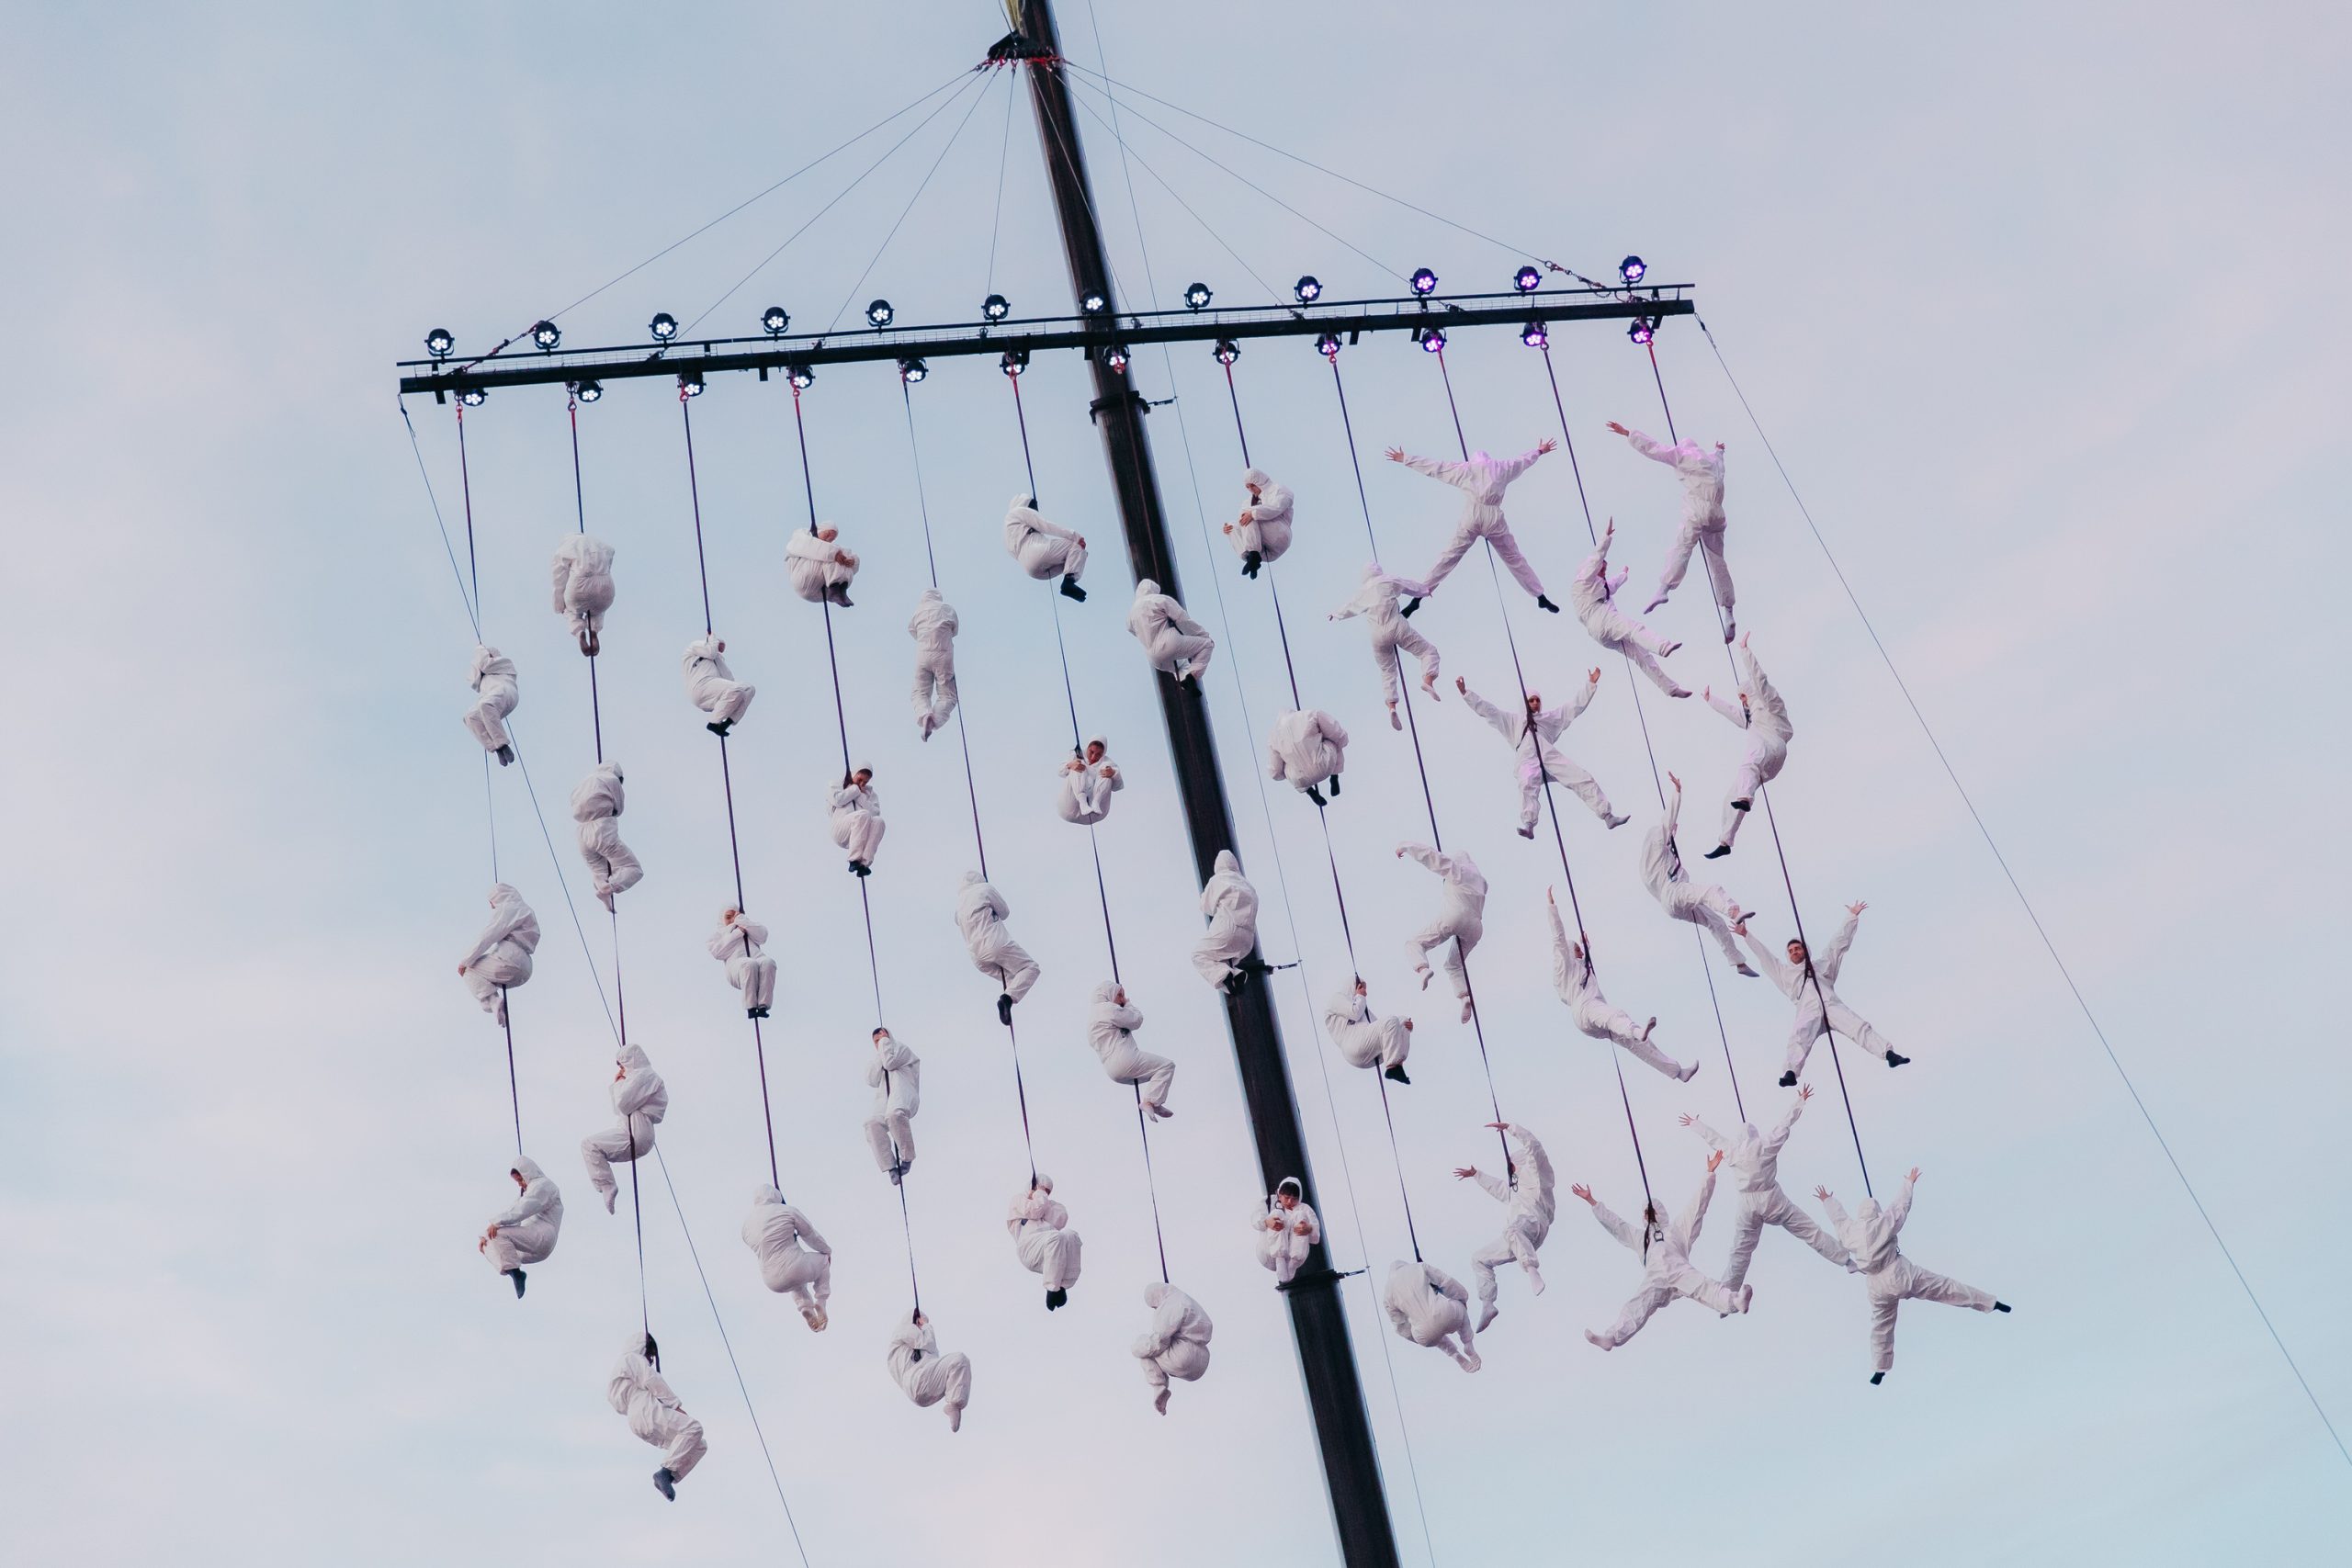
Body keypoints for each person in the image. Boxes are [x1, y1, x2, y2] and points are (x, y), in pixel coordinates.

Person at [1816, 1168, 2008, 1382]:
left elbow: (1839, 1220)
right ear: (1876, 1212)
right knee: (1945, 1288)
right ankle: (1990, 1303)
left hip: (1876, 1286)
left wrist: (1827, 1201)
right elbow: (1900, 1207)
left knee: (1882, 1325)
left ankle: (1880, 1367)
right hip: (1899, 1274)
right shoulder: (1883, 1222)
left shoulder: (1850, 1232)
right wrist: (1909, 1183)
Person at [1576, 1151, 1752, 1350]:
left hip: (1680, 1271)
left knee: (1706, 1287)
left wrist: (1708, 1174)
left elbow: (1697, 1206)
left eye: (1652, 1211)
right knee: (1636, 1306)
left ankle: (1734, 1301)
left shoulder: (1676, 1229)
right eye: (1646, 1212)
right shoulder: (1641, 1237)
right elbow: (1617, 1225)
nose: (1649, 1215)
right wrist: (1593, 1202)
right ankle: (1612, 1337)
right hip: (1655, 1279)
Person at [1681, 1086, 1851, 1292]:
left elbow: (1713, 1137)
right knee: (1809, 1231)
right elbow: (1784, 1125)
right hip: (1772, 1199)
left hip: (1748, 1204)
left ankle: (1727, 1295)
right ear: (1755, 1135)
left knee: (1740, 1250)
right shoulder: (1765, 1144)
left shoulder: (1732, 1150)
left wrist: (1694, 1124)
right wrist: (1800, 1101)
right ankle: (1845, 1261)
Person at [1735, 901, 1909, 1085]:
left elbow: (1838, 945)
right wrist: (1746, 935)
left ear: (1805, 950)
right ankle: (1790, 1072)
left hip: (1831, 1004)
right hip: (1807, 1009)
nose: (1795, 952)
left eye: (1798, 948)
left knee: (1858, 1026)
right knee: (1799, 1036)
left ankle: (1888, 1054)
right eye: (1791, 951)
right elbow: (1765, 956)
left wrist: (1851, 917)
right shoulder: (1783, 973)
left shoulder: (1822, 965)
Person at [1384, 440, 1562, 609]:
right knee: (1514, 558)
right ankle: (1540, 596)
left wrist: (1405, 459)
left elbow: (1436, 468)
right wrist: (1539, 451)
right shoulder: (1501, 467)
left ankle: (1419, 596)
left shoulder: (1466, 469)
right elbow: (1522, 461)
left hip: (1473, 514)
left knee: (1449, 556)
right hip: (1493, 516)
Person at [1457, 671, 1629, 837]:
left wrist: (1590, 684)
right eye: (1531, 700)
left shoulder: (1549, 718)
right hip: (1527, 758)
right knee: (1527, 783)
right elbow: (1489, 710)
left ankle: (1607, 816)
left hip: (1548, 755)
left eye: (1537, 700)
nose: (1534, 703)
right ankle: (1529, 824)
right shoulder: (1513, 721)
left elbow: (1572, 708)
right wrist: (1466, 693)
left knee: (1580, 776)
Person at [1546, 888, 1693, 1081]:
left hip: (1591, 1014)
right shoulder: (1564, 969)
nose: (1580, 952)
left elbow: (1584, 962)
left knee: (1634, 1043)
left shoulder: (1581, 967)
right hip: (1585, 1009)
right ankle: (1637, 1031)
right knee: (1616, 1016)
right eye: (1576, 950)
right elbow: (1559, 941)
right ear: (1569, 954)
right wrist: (1551, 907)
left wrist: (1586, 947)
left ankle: (1677, 1072)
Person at [1607, 421, 1736, 639]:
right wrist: (1719, 450)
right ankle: (1729, 611)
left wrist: (1629, 434)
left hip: (1699, 508)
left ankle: (1664, 588)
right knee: (1718, 561)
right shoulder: (1712, 462)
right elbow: (1721, 464)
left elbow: (1654, 448)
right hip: (1718, 514)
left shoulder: (1682, 455)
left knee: (1683, 545)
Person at [1642, 774, 1755, 976]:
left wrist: (1670, 838)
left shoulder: (1650, 867)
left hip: (1671, 905)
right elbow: (1668, 821)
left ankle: (1737, 962)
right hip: (1674, 892)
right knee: (1712, 891)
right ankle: (1734, 911)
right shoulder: (1657, 843)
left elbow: (1667, 835)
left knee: (1715, 922)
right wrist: (1677, 793)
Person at [1566, 522, 1690, 698]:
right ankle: (1662, 646)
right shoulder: (1583, 581)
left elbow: (1611, 585)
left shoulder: (1597, 586)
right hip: (1601, 618)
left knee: (1641, 656)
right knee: (1634, 629)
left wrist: (1623, 575)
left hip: (1599, 633)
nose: (1603, 573)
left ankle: (1669, 688)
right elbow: (1596, 559)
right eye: (1603, 570)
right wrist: (1606, 537)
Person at [1457, 1121, 1555, 1329]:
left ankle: (1531, 1269)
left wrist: (1511, 1128)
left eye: (1511, 1166)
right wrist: (1477, 1175)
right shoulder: (1516, 1191)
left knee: (1512, 1229)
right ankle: (1488, 1303)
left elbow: (1534, 1146)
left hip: (1534, 1223)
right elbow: (1500, 1189)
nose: (1509, 1170)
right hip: (1520, 1238)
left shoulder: (1537, 1177)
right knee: (1479, 1259)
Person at [1701, 633, 1792, 858]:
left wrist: (1744, 651)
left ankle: (1745, 797)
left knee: (1750, 754)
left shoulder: (1771, 705)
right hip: (1768, 764)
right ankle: (1726, 841)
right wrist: (1711, 700)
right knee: (1734, 793)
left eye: (1743, 696)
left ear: (1749, 694)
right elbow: (1734, 713)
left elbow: (1760, 681)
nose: (1742, 701)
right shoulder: (1752, 720)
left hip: (1773, 744)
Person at [1329, 562, 1442, 729]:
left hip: (1377, 635)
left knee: (1387, 671)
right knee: (1428, 652)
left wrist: (1335, 614)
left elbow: (1349, 607)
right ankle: (1428, 680)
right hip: (1396, 626)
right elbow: (1408, 585)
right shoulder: (1387, 580)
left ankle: (1391, 707)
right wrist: (1425, 591)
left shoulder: (1362, 592)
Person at [607, 1334, 707, 1501]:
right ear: (641, 1347)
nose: (650, 1359)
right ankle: (665, 1473)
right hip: (646, 1411)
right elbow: (652, 1380)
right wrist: (676, 1406)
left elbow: (618, 1405)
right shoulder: (631, 1358)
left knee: (699, 1444)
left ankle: (668, 1476)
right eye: (649, 1354)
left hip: (635, 1421)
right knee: (694, 1428)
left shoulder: (619, 1374)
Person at [1396, 841, 1486, 1023]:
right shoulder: (1482, 883)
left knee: (1414, 943)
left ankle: (1422, 968)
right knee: (1454, 964)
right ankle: (1464, 997)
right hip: (1476, 927)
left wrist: (1406, 846)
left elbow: (1433, 857)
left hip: (1454, 915)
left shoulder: (1459, 873)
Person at [581, 1043, 668, 1214]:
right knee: (589, 1145)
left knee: (589, 1145)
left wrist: (620, 1084)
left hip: (639, 1131)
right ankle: (606, 1186)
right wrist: (618, 1083)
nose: (622, 1069)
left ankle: (607, 1185)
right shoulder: (637, 1077)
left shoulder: (645, 1076)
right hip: (630, 1127)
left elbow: (624, 1104)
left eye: (622, 1065)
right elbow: (619, 1109)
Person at [741, 1184, 832, 1331]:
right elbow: (810, 1235)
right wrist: (827, 1251)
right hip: (796, 1268)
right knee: (822, 1262)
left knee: (794, 1279)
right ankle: (821, 1302)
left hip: (772, 1281)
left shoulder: (746, 1227)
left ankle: (804, 1307)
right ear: (776, 1195)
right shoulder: (787, 1211)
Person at [955, 871, 1040, 1024]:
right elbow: (1005, 912)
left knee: (1014, 981)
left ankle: (1007, 1001)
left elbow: (956, 920)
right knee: (1030, 968)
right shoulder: (985, 888)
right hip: (996, 945)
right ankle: (1006, 999)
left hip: (977, 957)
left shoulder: (959, 906)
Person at [1087, 981, 1174, 1118]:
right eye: (1119, 995)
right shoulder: (1106, 1009)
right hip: (1124, 1059)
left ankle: (1154, 1102)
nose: (1121, 999)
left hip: (1113, 1071)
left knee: (1155, 1073)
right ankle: (1151, 1102)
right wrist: (1128, 1004)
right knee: (1166, 1066)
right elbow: (1136, 1020)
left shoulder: (1092, 1019)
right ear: (1108, 994)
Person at [479, 1156, 562, 1297]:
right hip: (532, 1246)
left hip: (543, 1236)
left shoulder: (543, 1186)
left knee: (497, 1234)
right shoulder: (527, 1191)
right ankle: (514, 1272)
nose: (519, 1184)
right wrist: (486, 1236)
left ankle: (517, 1274)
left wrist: (497, 1223)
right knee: (489, 1240)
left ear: (527, 1174)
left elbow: (521, 1210)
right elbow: (513, 1211)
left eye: (519, 1180)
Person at [458, 883, 539, 1025]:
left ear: (499, 897)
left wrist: (465, 960)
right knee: (484, 977)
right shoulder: (527, 911)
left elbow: (489, 935)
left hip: (510, 958)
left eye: (492, 902)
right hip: (526, 968)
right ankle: (493, 1002)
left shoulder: (508, 909)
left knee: (468, 970)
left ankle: (492, 1002)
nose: (492, 907)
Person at [1383, 1258, 1480, 1371]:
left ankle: (1454, 1354)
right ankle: (1468, 1343)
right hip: (1446, 1315)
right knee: (1459, 1306)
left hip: (1426, 1336)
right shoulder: (1418, 1267)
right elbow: (1446, 1282)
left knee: (1426, 1331)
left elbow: (1401, 1327)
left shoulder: (1387, 1295)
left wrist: (1417, 1338)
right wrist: (1463, 1299)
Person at [1132, 1282, 1215, 1413]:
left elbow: (1159, 1343)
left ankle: (1159, 1386)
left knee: (1143, 1350)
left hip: (1185, 1357)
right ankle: (1161, 1381)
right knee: (1150, 1347)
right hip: (1203, 1359)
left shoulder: (1171, 1304)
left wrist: (1136, 1349)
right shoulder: (1186, 1299)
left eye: (1154, 1306)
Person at [571, 761, 641, 911]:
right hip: (601, 829)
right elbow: (619, 808)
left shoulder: (583, 784)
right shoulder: (612, 780)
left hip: (582, 833)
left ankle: (603, 889)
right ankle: (608, 888)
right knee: (633, 868)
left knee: (599, 870)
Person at [885, 1312, 973, 1432]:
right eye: (919, 1323)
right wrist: (926, 1326)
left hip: (923, 1393)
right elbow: (927, 1342)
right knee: (959, 1359)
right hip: (917, 1378)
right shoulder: (902, 1331)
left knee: (959, 1362)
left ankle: (954, 1405)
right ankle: (954, 1404)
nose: (921, 1327)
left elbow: (930, 1353)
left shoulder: (921, 1347)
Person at [1192, 850, 1262, 994]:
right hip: (1248, 940)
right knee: (1220, 960)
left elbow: (1205, 906)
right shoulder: (1249, 886)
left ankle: (1229, 976)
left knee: (1199, 955)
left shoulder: (1218, 879)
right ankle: (1235, 976)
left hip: (1228, 930)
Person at [1007, 1175, 1082, 1310]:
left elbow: (1060, 1220)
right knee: (1056, 1237)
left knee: (1071, 1235)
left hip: (1051, 1250)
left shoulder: (1054, 1205)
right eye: (1041, 1189)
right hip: (1029, 1248)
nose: (1044, 1192)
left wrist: (1041, 1199)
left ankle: (1063, 1286)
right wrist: (1039, 1196)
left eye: (1047, 1190)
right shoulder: (1019, 1200)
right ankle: (1052, 1289)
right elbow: (1034, 1211)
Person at [1125, 578, 1216, 683]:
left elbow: (1132, 630)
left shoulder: (1130, 616)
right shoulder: (1159, 599)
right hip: (1170, 643)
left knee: (1181, 665)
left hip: (1155, 659)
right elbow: (1182, 621)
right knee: (1207, 645)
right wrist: (1202, 635)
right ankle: (1192, 676)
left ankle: (1185, 683)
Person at [1323, 977, 1411, 1084]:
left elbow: (1383, 1030)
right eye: (1361, 987)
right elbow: (1354, 1013)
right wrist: (1360, 996)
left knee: (1402, 1021)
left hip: (1371, 1052)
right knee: (1391, 1020)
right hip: (1353, 1046)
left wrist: (1404, 1029)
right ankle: (1392, 1067)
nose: (1365, 992)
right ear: (1353, 987)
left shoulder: (1362, 1007)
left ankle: (1398, 1066)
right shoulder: (1337, 999)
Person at [1003, 493, 1088, 601]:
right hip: (1037, 552)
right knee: (1076, 547)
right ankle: (1068, 582)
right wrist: (1076, 536)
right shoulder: (1018, 511)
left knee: (1072, 558)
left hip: (1032, 571)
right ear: (1024, 503)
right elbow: (1046, 525)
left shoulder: (1009, 530)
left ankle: (1069, 582)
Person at [863, 1027, 921, 1183]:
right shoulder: (881, 1055)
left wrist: (884, 1043)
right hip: (885, 1099)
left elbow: (890, 1063)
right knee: (872, 1123)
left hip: (903, 1094)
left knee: (894, 1115)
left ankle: (907, 1157)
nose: (880, 1043)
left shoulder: (901, 1050)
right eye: (876, 1041)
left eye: (882, 1038)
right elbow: (871, 1079)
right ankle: (890, 1167)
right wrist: (879, 1053)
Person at [1265, 708, 1350, 806]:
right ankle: (1334, 776)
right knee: (1333, 740)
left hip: (1300, 779)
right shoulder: (1311, 714)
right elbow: (1338, 734)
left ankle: (1310, 791)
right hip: (1326, 765)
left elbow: (1275, 772)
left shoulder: (1272, 738)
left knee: (1285, 766)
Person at [550, 533, 616, 656]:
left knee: (569, 610)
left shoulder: (566, 547)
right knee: (598, 607)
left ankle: (579, 632)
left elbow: (559, 578)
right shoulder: (603, 546)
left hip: (580, 586)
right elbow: (611, 555)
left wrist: (559, 605)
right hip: (606, 587)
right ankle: (594, 630)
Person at [908, 587, 960, 740]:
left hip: (923, 655)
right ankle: (935, 719)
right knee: (948, 695)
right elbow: (955, 630)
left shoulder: (918, 611)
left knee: (920, 692)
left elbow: (912, 630)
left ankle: (924, 714)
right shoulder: (948, 609)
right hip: (943, 656)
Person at [707, 908, 776, 1020]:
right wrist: (738, 933)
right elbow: (717, 952)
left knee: (768, 963)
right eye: (728, 917)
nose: (732, 920)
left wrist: (743, 921)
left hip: (757, 959)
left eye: (734, 916)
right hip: (736, 967)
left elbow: (763, 936)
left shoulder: (747, 927)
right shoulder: (719, 935)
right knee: (749, 965)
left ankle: (763, 1005)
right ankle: (751, 1007)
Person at [1226, 467, 1294, 578]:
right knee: (1231, 526)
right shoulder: (1249, 501)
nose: (1251, 490)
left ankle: (1253, 554)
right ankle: (1250, 559)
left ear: (1260, 481)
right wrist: (1230, 529)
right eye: (1248, 487)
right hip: (1265, 552)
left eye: (1252, 485)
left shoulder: (1278, 489)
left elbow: (1277, 507)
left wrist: (1253, 514)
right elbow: (1243, 522)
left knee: (1249, 512)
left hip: (1280, 535)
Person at [682, 634, 754, 737]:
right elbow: (710, 652)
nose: (721, 648)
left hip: (713, 692)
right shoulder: (694, 647)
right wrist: (713, 638)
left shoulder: (717, 658)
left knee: (749, 689)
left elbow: (730, 680)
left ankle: (726, 724)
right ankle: (713, 722)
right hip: (700, 686)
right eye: (719, 645)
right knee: (738, 688)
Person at [1255, 1177, 1320, 1286]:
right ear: (1279, 1194)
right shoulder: (1268, 1202)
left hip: (1292, 1257)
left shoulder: (1304, 1208)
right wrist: (1267, 1222)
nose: (1290, 1202)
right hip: (1270, 1254)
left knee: (1300, 1216)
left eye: (1294, 1198)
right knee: (1277, 1213)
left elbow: (1316, 1238)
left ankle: (1292, 1265)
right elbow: (1255, 1221)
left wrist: (1308, 1228)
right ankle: (1279, 1258)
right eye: (1287, 1197)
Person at [461, 644, 518, 765]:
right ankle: (496, 747)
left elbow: (485, 664)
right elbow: (473, 681)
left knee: (485, 704)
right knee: (470, 717)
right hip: (492, 696)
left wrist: (479, 649)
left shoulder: (504, 663)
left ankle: (502, 743)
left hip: (506, 692)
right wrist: (477, 659)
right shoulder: (482, 679)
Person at [829, 764, 886, 877]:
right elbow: (838, 800)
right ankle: (854, 860)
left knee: (879, 822)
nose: (861, 784)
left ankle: (864, 863)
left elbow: (875, 813)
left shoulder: (870, 794)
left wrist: (861, 796)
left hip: (859, 835)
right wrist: (854, 790)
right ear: (854, 773)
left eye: (865, 782)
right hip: (841, 829)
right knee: (863, 814)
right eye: (859, 780)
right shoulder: (837, 784)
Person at [786, 522, 858, 607]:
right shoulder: (802, 535)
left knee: (844, 554)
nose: (828, 539)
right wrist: (834, 554)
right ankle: (834, 588)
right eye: (827, 534)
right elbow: (807, 545)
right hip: (804, 580)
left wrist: (853, 562)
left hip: (821, 591)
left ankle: (840, 590)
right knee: (833, 553)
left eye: (832, 539)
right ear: (820, 530)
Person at [1057, 737, 1123, 826]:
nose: (1093, 757)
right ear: (1087, 748)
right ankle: (1083, 802)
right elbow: (1060, 772)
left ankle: (1096, 802)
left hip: (1096, 813)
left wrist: (1114, 774)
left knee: (1106, 770)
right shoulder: (1077, 754)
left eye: (1099, 754)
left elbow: (1118, 787)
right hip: (1069, 809)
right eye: (1091, 752)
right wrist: (1070, 765)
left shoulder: (1108, 762)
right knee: (1079, 763)